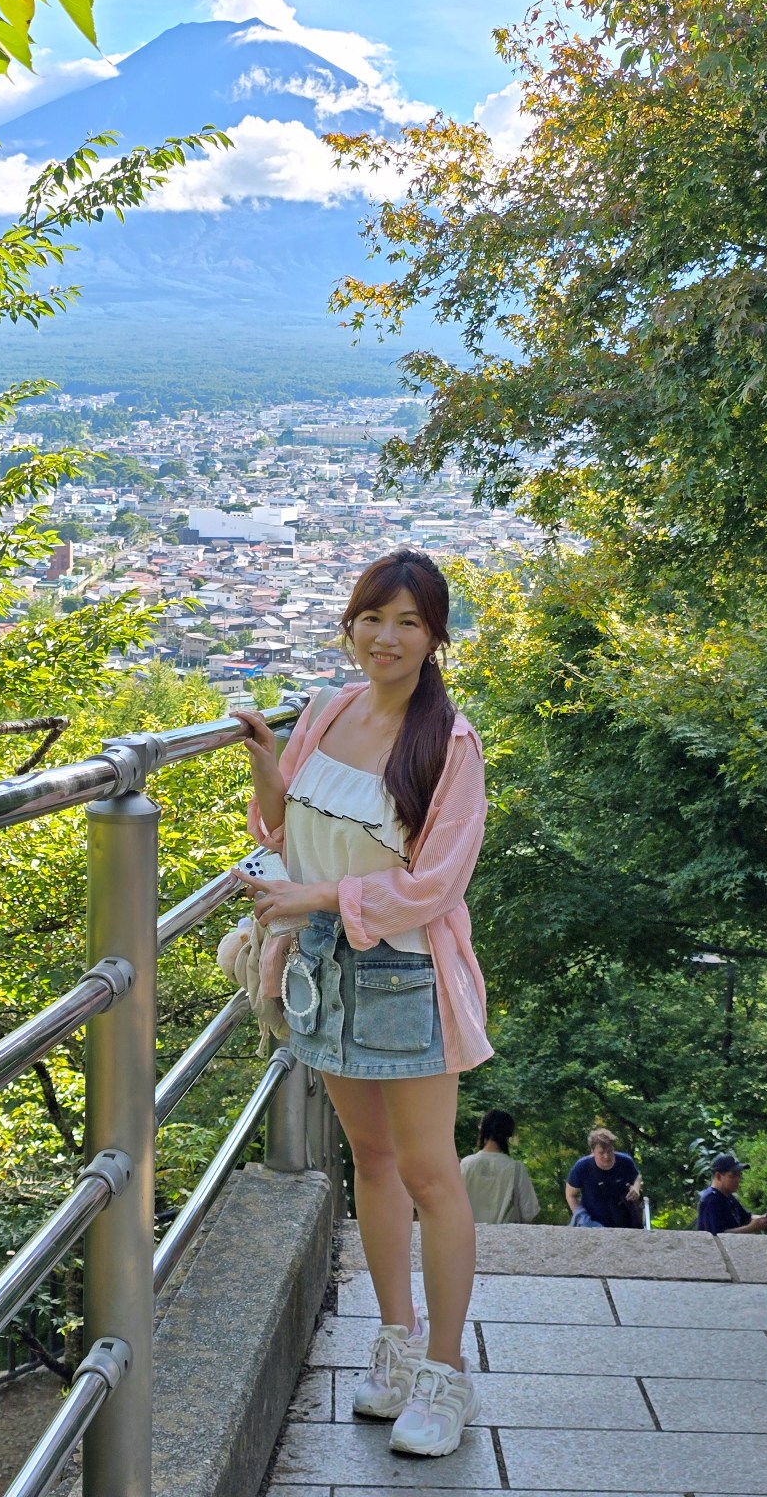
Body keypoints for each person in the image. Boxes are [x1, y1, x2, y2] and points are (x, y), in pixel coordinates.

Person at [234, 549, 491, 1460]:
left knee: (430, 1174)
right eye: (371, 618)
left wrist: (319, 901)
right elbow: (284, 831)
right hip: (323, 972)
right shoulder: (329, 710)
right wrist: (271, 767)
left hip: (403, 976)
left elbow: (435, 884)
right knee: (371, 1164)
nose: (385, 638)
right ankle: (391, 1345)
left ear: (435, 638)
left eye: (408, 623)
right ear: (349, 624)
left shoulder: (446, 745)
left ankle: (445, 1373)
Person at [460, 1110, 541, 1225]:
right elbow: (529, 1214)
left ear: (482, 1131)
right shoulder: (516, 1169)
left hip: (469, 1237)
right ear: (509, 1135)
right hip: (504, 1239)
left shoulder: (465, 1165)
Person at [565, 1128, 643, 1228]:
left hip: (625, 1221)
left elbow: (637, 1176)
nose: (606, 1156)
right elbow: (570, 1195)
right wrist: (581, 1216)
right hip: (592, 1223)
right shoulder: (582, 1167)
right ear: (592, 1151)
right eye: (601, 1153)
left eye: (609, 1151)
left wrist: (636, 1188)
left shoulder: (625, 1161)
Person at [696, 1154, 767, 1234]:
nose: (738, 1179)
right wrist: (750, 1228)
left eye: (739, 1175)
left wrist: (764, 1218)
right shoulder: (710, 1200)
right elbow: (717, 1237)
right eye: (733, 1175)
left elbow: (746, 1218)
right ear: (718, 1176)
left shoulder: (728, 1197)